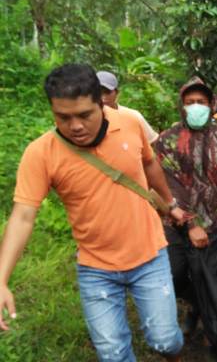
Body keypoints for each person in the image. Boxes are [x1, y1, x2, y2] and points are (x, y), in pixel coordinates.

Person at [0, 64, 184, 362]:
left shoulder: (130, 122)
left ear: (102, 103)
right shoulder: (41, 153)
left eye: (84, 115)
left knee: (165, 341)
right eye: (63, 117)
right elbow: (22, 216)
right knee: (112, 355)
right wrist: (1, 279)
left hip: (149, 254)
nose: (75, 126)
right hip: (96, 268)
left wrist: (170, 203)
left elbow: (150, 164)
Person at [154, 77, 217, 338]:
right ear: (181, 106)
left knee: (215, 280)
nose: (195, 106)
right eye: (189, 102)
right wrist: (190, 224)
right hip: (176, 224)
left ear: (212, 104)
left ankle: (216, 333)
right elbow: (167, 186)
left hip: (215, 223)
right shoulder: (167, 139)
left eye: (201, 102)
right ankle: (196, 305)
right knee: (174, 275)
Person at [97, 70, 159, 144]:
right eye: (98, 92)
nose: (103, 98)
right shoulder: (87, 119)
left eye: (107, 92)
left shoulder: (133, 116)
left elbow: (153, 141)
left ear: (117, 93)